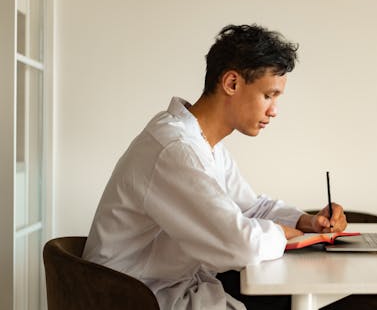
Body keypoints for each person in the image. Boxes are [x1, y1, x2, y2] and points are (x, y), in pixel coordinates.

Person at [82, 24, 348, 310]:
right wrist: (279, 234)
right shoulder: (176, 149)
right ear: (232, 83)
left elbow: (249, 207)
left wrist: (305, 222)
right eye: (268, 96)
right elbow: (239, 245)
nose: (274, 110)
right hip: (134, 298)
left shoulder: (204, 144)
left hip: (167, 286)